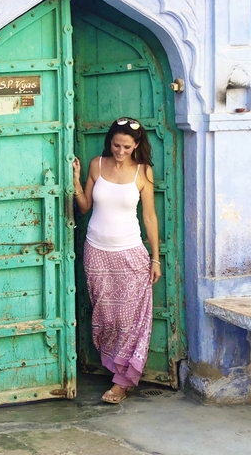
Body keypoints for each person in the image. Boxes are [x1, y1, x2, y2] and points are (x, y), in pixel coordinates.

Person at [72, 116, 161, 404]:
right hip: (96, 252)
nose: (120, 151)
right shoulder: (97, 165)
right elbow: (84, 207)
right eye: (116, 145)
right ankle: (118, 370)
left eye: (126, 147)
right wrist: (75, 182)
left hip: (130, 254)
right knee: (107, 318)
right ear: (109, 142)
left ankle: (122, 382)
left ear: (136, 145)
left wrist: (156, 259)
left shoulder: (143, 172)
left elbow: (149, 217)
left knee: (129, 320)